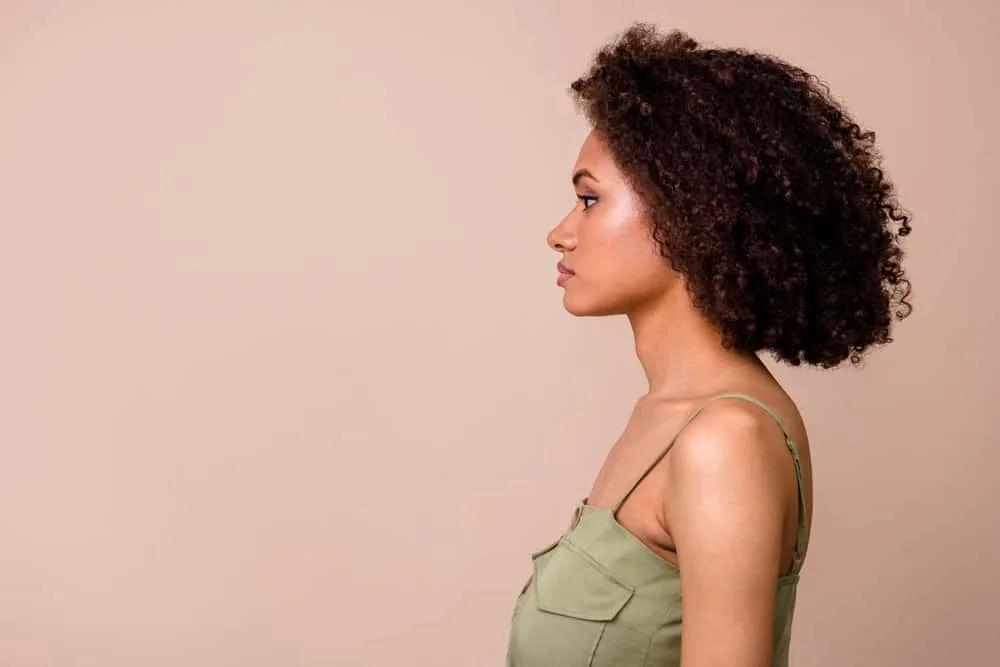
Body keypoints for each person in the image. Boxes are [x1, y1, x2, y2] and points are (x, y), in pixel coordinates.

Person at [506, 22, 912, 667]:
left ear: (688, 212)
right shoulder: (663, 418)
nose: (559, 233)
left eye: (588, 200)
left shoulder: (724, 439)